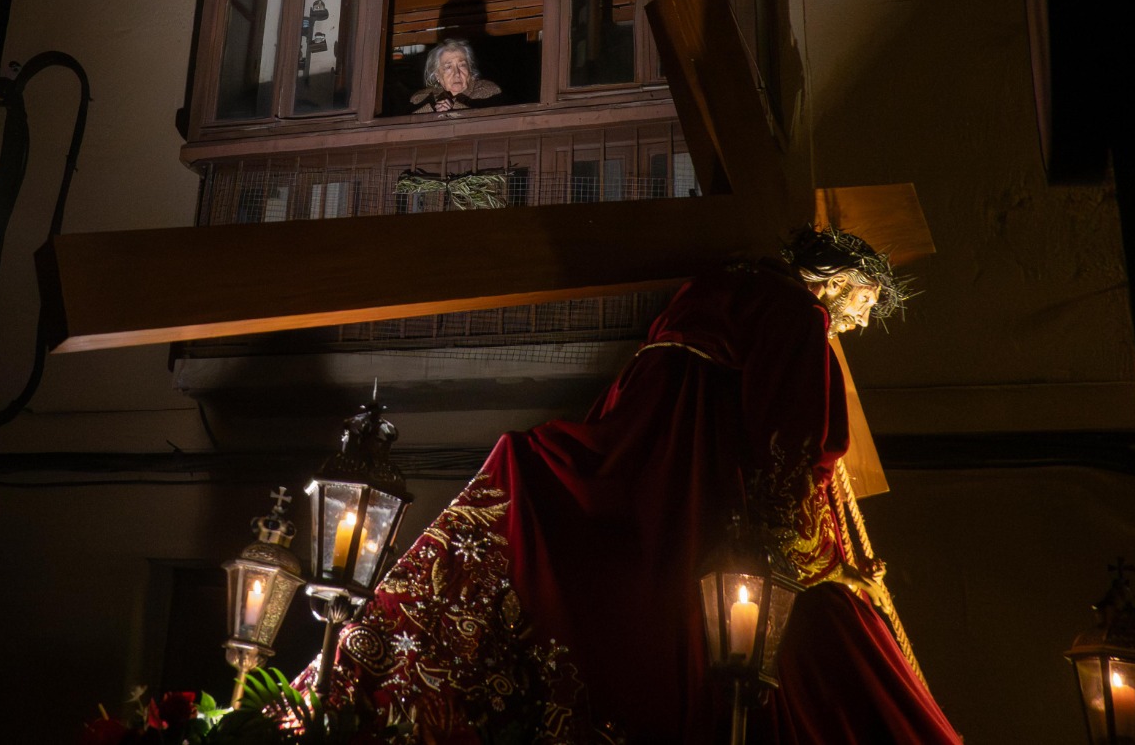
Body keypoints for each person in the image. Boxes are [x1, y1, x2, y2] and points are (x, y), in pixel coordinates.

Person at [320, 228, 962, 745]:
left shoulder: (714, 286)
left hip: (637, 468)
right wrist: (825, 566)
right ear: (839, 281)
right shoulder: (798, 313)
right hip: (701, 494)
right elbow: (793, 452)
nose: (857, 322)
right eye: (863, 305)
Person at [408, 38, 503, 115]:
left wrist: (455, 109)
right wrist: (434, 110)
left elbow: (489, 122)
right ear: (437, 75)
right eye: (448, 67)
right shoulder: (422, 98)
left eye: (462, 65)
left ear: (469, 69)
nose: (457, 73)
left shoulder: (487, 91)